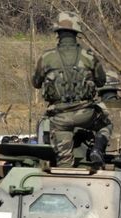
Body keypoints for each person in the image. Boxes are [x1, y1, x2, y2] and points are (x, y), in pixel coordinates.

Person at [32, 11, 111, 167]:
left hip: (60, 118)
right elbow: (101, 81)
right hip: (85, 114)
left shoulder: (46, 57)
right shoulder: (89, 56)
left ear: (58, 33)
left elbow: (36, 82)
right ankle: (97, 150)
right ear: (77, 32)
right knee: (106, 124)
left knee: (64, 163)